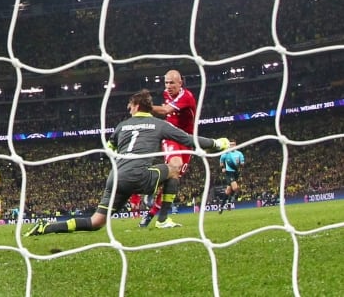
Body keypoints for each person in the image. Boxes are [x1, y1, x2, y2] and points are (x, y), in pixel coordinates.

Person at [24, 89, 229, 236]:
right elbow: (188, 140)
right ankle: (163, 219)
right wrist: (218, 143)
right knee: (174, 170)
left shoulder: (121, 125)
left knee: (96, 222)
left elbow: (109, 150)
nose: (128, 109)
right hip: (139, 176)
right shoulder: (159, 124)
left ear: (137, 105)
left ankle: (46, 228)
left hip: (116, 178)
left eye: (129, 106)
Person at [139, 69, 197, 228]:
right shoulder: (166, 93)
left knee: (174, 179)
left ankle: (157, 218)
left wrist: (143, 107)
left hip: (186, 140)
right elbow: (165, 111)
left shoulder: (187, 96)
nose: (168, 86)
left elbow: (165, 110)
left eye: (172, 82)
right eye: (166, 82)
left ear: (180, 83)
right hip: (170, 136)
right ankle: (151, 184)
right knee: (175, 166)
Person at [219, 141, 245, 214]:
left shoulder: (239, 153)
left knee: (228, 191)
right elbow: (221, 162)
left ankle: (221, 207)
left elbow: (242, 163)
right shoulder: (226, 154)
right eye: (230, 145)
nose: (232, 146)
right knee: (235, 188)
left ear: (236, 145)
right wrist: (223, 168)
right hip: (229, 173)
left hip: (236, 173)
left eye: (233, 144)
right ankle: (229, 203)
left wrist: (241, 163)